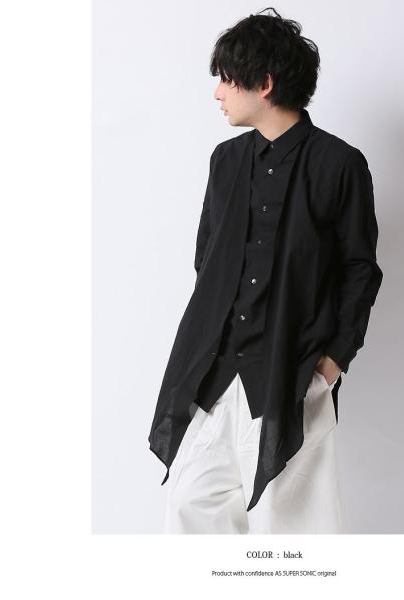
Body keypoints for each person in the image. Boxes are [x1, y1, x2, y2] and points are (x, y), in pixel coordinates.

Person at [148, 7, 383, 534]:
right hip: (216, 373)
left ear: (265, 83)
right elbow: (207, 258)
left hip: (292, 373)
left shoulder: (339, 164)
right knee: (191, 507)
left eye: (227, 79)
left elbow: (359, 271)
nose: (218, 93)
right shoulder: (226, 161)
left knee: (289, 530)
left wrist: (332, 363)